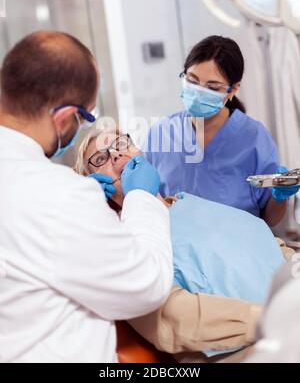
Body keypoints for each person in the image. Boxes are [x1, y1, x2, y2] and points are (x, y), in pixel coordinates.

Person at [0, 31, 173, 363]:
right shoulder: (63, 195)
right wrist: (139, 197)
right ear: (65, 117)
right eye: (85, 119)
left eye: (122, 144)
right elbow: (146, 285)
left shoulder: (59, 192)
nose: (116, 157)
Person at [75, 128, 293, 363]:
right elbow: (173, 318)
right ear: (98, 187)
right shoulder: (120, 245)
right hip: (249, 348)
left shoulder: (190, 202)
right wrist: (272, 318)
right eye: (100, 159)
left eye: (120, 144)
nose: (115, 155)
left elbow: (266, 245)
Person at [143, 35, 299, 227]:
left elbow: (270, 219)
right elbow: (145, 203)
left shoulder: (254, 138)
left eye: (212, 87)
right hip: (176, 251)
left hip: (240, 250)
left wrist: (280, 196)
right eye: (192, 80)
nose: (199, 91)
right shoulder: (161, 134)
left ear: (233, 90)